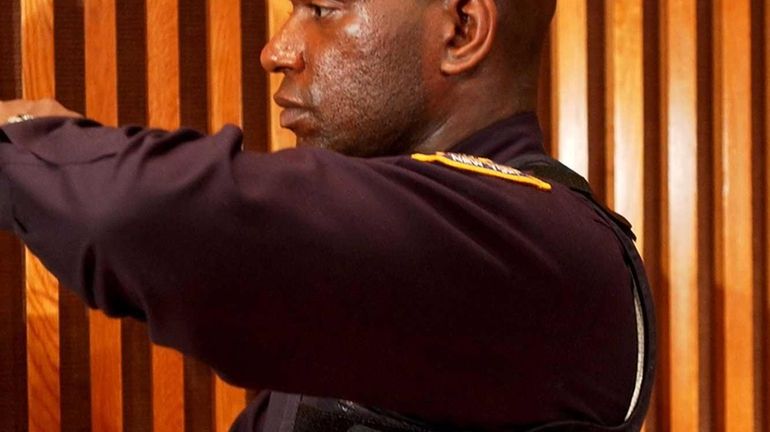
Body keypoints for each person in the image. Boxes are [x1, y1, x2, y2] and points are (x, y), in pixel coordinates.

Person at [0, 0, 655, 430]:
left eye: (325, 9)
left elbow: (136, 208)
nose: (278, 50)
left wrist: (23, 137)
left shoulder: (537, 248)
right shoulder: (411, 279)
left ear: (461, 29)